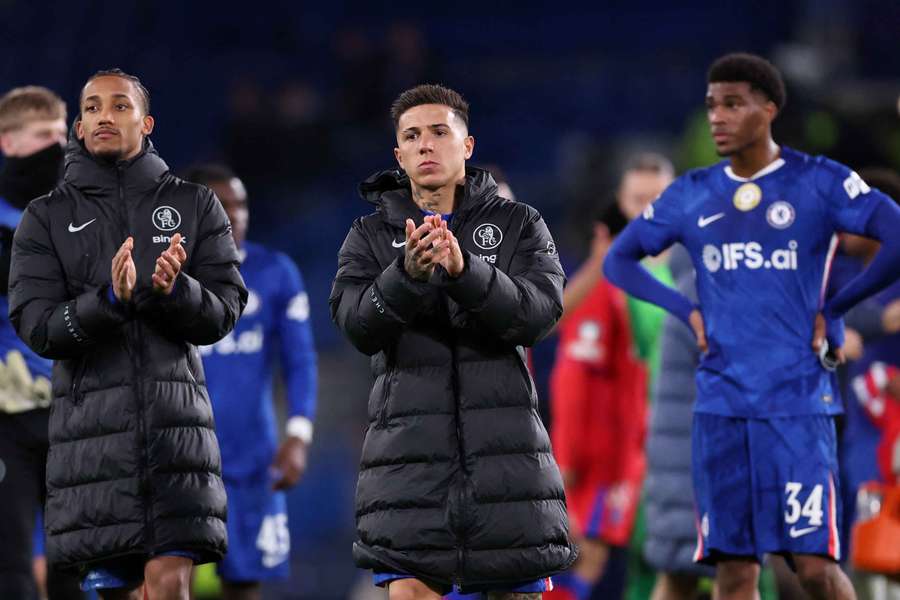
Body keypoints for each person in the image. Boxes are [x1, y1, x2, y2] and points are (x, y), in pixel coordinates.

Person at [603, 52, 900, 600]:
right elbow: (618, 260)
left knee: (814, 568)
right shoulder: (692, 192)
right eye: (712, 105)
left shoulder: (819, 181)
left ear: (769, 110)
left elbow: (895, 231)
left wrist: (837, 308)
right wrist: (684, 309)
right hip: (721, 414)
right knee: (734, 573)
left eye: (733, 104)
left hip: (798, 409)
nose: (717, 116)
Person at [329, 83, 575, 600]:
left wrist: (466, 272)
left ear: (467, 145)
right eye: (412, 136)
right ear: (399, 155)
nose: (425, 144)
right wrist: (405, 276)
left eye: (439, 132)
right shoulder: (368, 237)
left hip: (508, 467)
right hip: (407, 472)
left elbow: (538, 316)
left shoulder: (519, 223)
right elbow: (357, 326)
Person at [8, 69, 247, 599]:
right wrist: (109, 302)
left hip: (175, 437)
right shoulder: (45, 218)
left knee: (169, 585)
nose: (104, 116)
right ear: (78, 126)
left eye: (119, 105)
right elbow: (37, 327)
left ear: (147, 122)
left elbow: (225, 310)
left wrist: (175, 290)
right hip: (91, 447)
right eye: (92, 108)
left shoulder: (194, 204)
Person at [183, 164, 318, 600]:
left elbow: (300, 360)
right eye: (221, 205)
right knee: (171, 580)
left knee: (243, 585)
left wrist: (298, 434)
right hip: (180, 458)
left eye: (240, 204)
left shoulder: (274, 272)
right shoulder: (167, 277)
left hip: (250, 459)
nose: (235, 215)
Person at [0, 85, 84, 600]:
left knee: (71, 560)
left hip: (70, 408)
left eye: (60, 135)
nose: (55, 148)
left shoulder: (80, 215)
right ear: (8, 142)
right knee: (10, 562)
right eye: (41, 136)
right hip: (6, 414)